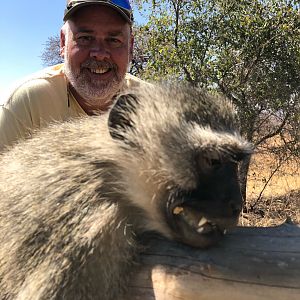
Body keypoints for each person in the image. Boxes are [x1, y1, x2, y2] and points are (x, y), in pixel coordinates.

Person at [0, 0, 145, 151]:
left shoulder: (151, 103)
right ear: (63, 42)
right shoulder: (26, 103)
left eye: (114, 40)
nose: (100, 54)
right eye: (85, 38)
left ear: (130, 47)